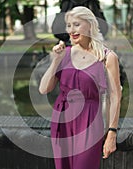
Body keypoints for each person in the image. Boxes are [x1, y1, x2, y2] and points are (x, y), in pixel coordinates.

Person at [39, 6, 121, 169]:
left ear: (89, 25)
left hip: (89, 121)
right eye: (69, 25)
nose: (71, 30)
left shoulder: (107, 57)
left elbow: (115, 96)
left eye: (76, 24)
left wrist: (112, 132)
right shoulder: (64, 54)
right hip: (62, 119)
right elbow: (43, 89)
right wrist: (55, 61)